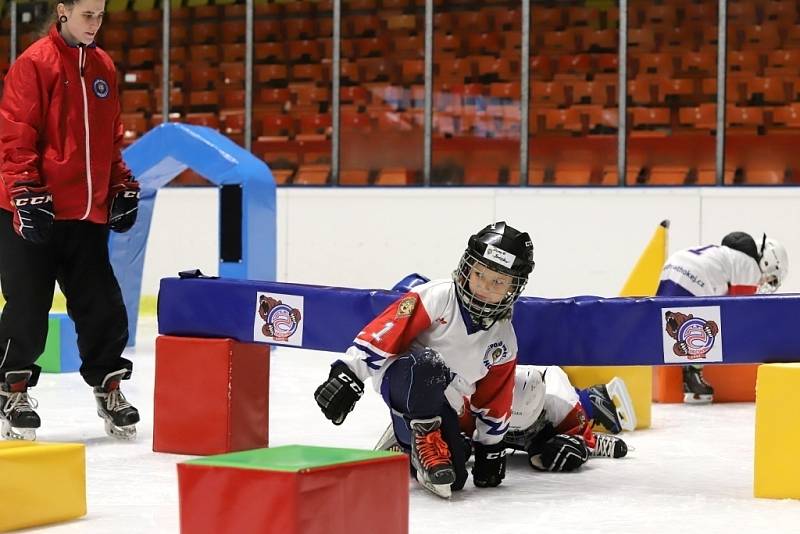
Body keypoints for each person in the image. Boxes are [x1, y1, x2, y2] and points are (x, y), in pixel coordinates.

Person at [0, 0, 141, 441]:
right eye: (86, 15)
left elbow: (110, 139)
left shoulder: (103, 66)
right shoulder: (34, 63)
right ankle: (12, 389)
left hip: (86, 214)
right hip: (33, 211)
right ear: (63, 12)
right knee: (26, 308)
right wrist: (25, 192)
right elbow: (16, 133)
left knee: (102, 307)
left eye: (100, 16)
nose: (94, 24)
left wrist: (120, 186)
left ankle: (110, 387)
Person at [314, 221, 535, 498]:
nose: (484, 286)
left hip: (443, 403)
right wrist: (349, 374)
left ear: (514, 288)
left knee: (453, 480)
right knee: (428, 364)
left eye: (498, 282)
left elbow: (495, 398)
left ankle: (406, 440)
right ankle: (419, 435)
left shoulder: (504, 340)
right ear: (467, 268)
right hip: (405, 381)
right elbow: (387, 331)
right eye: (479, 274)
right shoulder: (438, 295)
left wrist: (491, 447)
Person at [377, 365, 633, 472]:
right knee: (457, 447)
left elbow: (582, 436)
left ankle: (595, 397)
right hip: (488, 412)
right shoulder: (472, 400)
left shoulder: (560, 403)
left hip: (545, 419)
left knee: (553, 453)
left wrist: (583, 445)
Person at [657, 232, 789, 403]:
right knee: (715, 326)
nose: (765, 282)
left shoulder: (727, 255)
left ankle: (686, 374)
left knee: (675, 326)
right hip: (694, 280)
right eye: (770, 278)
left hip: (672, 268)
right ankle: (693, 377)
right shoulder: (750, 266)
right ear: (768, 262)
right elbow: (740, 311)